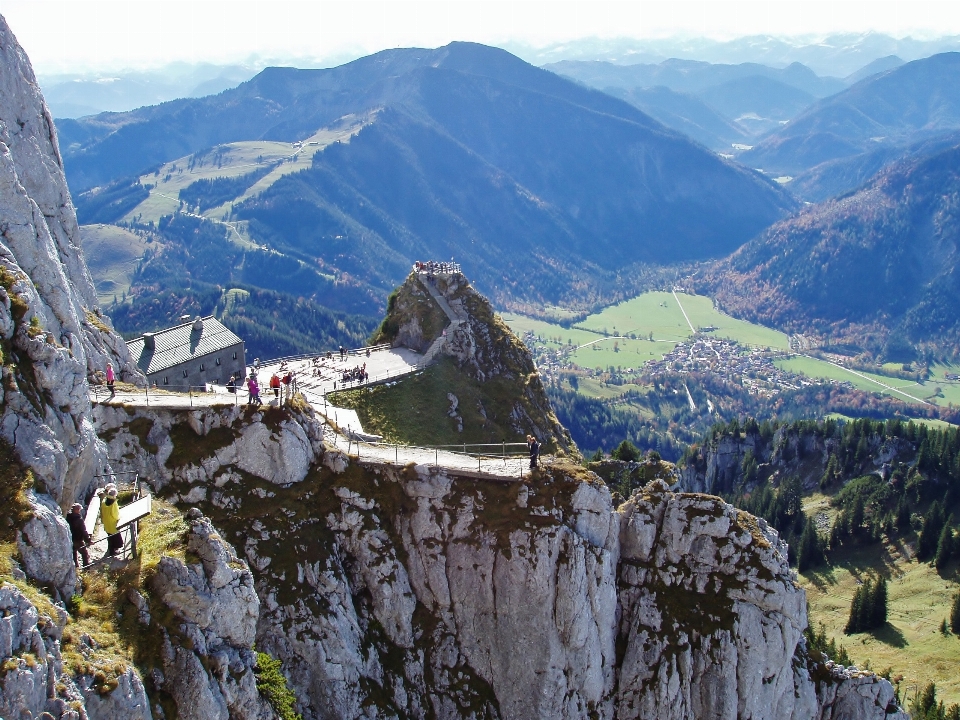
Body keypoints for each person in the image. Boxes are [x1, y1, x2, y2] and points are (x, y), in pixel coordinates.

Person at [97, 484, 123, 557]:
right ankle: (113, 552)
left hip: (106, 522)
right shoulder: (113, 504)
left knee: (110, 537)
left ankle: (111, 550)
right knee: (115, 538)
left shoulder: (104, 501)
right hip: (113, 524)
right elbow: (115, 514)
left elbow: (102, 511)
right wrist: (119, 518)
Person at [65, 503, 90, 568]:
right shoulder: (79, 520)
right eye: (79, 510)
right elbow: (83, 531)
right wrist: (88, 540)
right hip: (78, 540)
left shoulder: (68, 517)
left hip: (70, 539)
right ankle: (86, 568)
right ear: (77, 510)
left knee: (74, 553)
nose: (79, 511)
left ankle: (76, 567)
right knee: (84, 554)